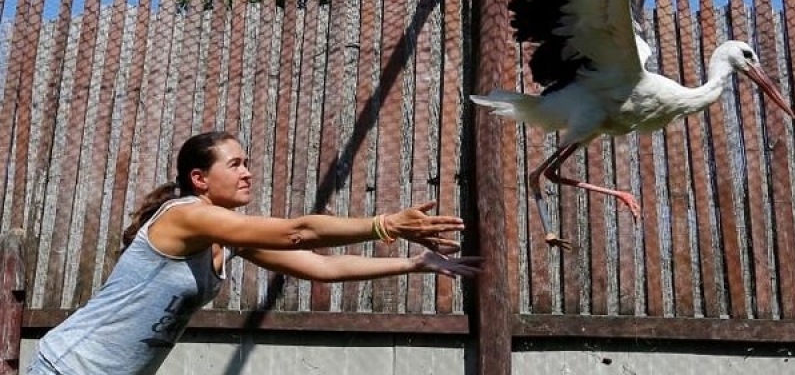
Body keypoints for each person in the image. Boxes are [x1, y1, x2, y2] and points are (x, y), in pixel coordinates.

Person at [28, 131, 481, 374]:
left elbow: (322, 268)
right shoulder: (184, 215)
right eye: (235, 164)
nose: (247, 173)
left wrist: (417, 263)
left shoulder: (230, 237)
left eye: (247, 163)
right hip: (70, 366)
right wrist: (384, 224)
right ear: (200, 178)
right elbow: (298, 233)